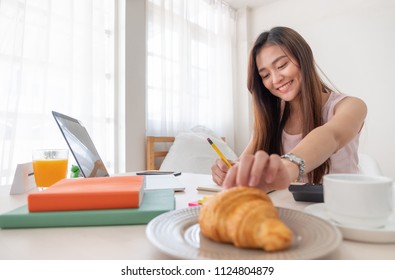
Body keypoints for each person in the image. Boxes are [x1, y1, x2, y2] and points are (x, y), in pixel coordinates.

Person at [211, 26, 367, 193]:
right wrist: (230, 170)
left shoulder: (351, 106)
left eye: (282, 65)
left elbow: (331, 136)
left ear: (303, 57)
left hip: (344, 208)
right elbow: (243, 164)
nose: (276, 79)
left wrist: (288, 166)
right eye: (265, 75)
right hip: (293, 211)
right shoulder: (271, 117)